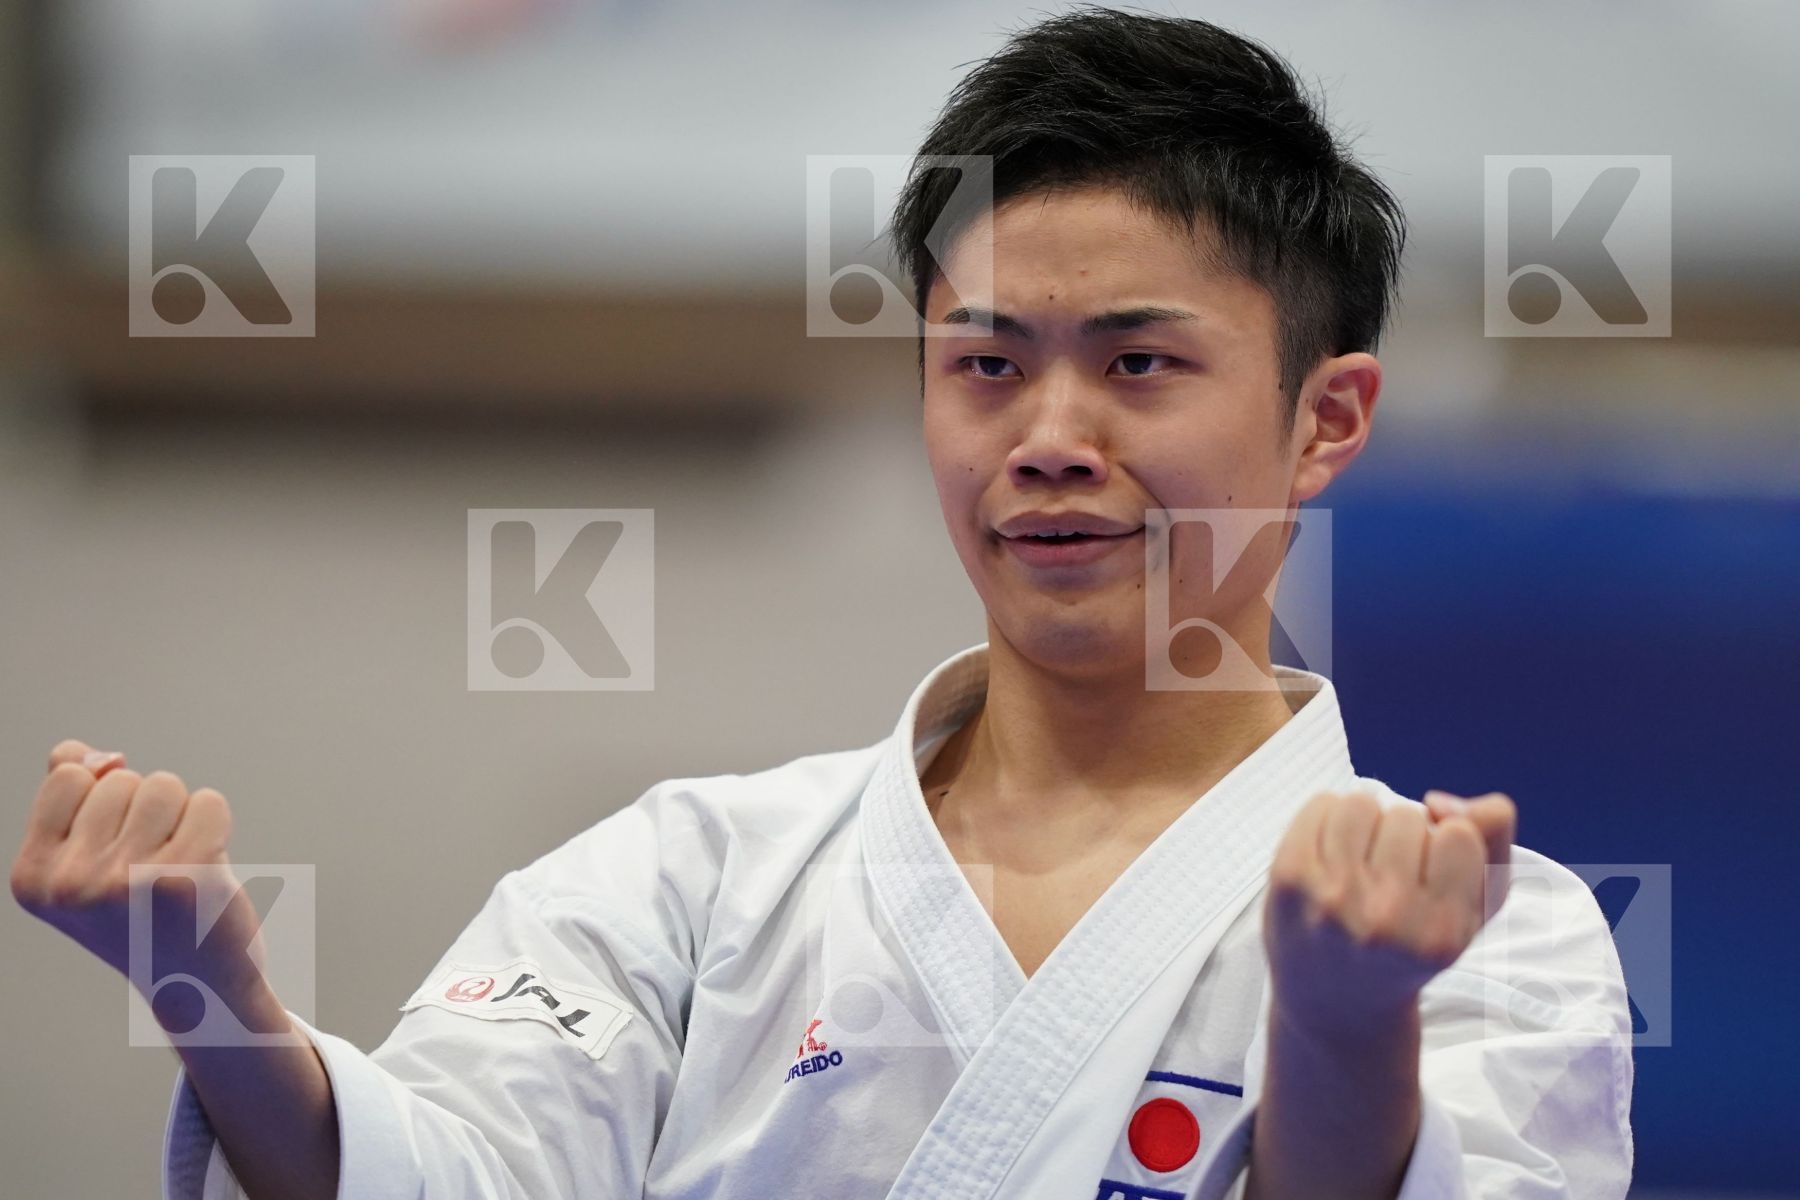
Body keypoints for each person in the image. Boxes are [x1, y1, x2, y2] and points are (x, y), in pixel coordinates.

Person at [10, 7, 1634, 1199]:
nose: (1050, 443)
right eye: (986, 367)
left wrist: (1350, 1031)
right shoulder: (688, 879)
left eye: (1139, 365)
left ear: (1326, 418)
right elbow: (439, 1175)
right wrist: (214, 1003)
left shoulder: (1503, 943)